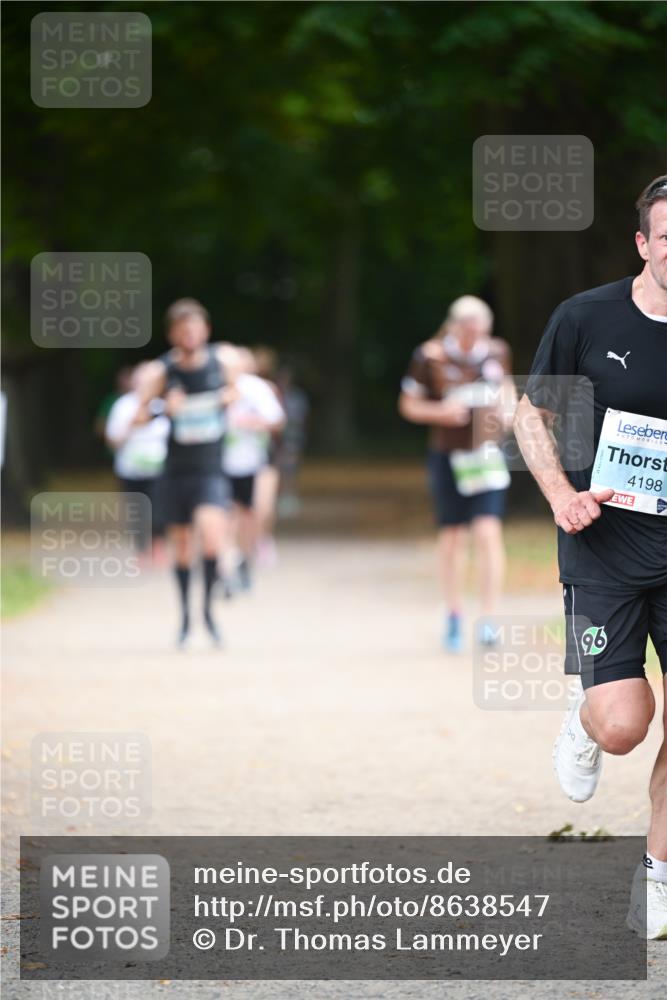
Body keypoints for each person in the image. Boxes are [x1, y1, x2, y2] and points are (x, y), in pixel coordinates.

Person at [514, 176, 667, 939]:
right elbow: (530, 413)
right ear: (642, 244)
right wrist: (557, 494)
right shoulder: (585, 315)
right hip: (602, 546)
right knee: (623, 725)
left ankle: (661, 874)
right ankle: (584, 720)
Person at [399, 295, 516, 651]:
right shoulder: (430, 356)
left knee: (487, 531)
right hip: (448, 455)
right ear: (454, 326)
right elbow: (408, 404)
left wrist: (507, 414)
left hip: (485, 455)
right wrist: (441, 413)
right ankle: (452, 612)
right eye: (467, 331)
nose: (472, 338)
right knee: (452, 537)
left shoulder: (496, 352)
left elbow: (508, 393)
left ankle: (489, 617)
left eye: (479, 331)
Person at [138, 299, 239, 648]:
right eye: (182, 330)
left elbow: (238, 392)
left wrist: (229, 398)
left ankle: (208, 612)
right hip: (176, 471)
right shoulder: (161, 372)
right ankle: (185, 618)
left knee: (212, 536)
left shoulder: (223, 363)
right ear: (172, 335)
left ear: (206, 330)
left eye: (195, 328)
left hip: (210, 469)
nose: (189, 335)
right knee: (181, 547)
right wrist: (163, 408)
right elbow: (136, 417)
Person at [222, 347, 285, 590]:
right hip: (221, 464)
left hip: (256, 462)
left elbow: (277, 420)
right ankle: (226, 568)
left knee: (255, 513)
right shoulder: (212, 386)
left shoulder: (258, 388)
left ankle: (244, 560)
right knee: (226, 517)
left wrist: (252, 422)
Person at [105, 362, 170, 562]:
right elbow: (112, 439)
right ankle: (141, 550)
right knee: (137, 512)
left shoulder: (164, 405)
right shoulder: (123, 405)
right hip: (130, 470)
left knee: (160, 509)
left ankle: (158, 547)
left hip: (161, 470)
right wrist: (131, 425)